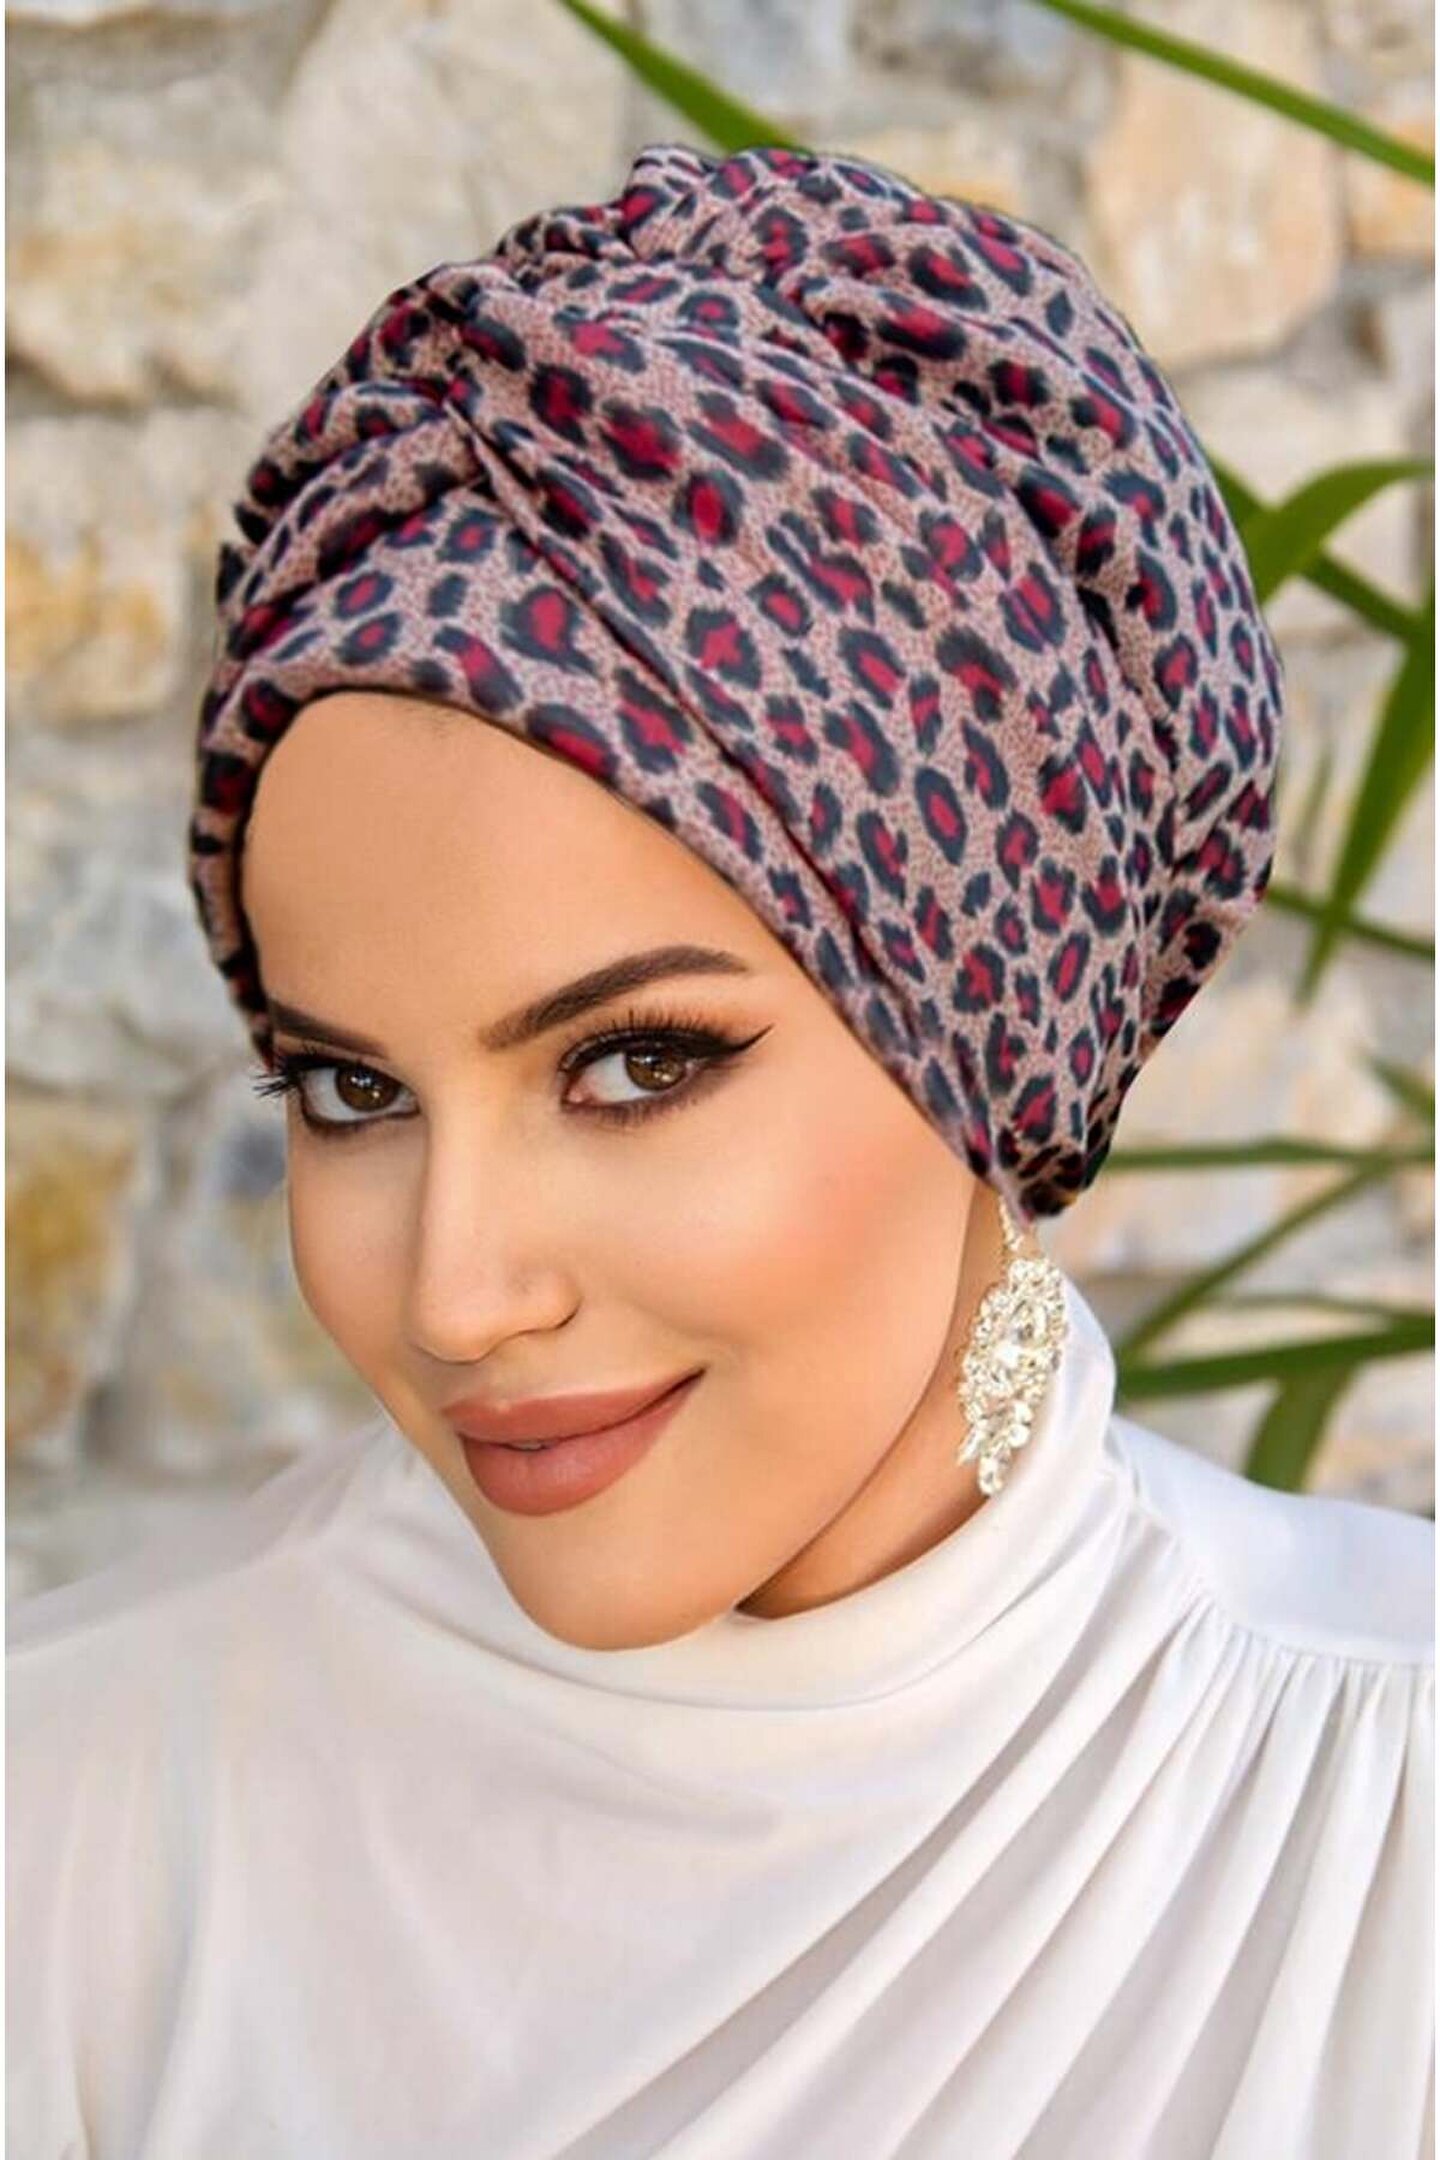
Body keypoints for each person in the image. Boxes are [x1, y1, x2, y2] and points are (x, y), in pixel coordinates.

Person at [9, 141, 1432, 2159]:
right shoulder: (70, 1817)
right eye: (349, 1093)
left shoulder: (1383, 1804)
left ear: (997, 1038)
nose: (456, 1296)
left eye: (635, 1064)